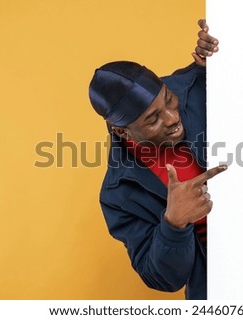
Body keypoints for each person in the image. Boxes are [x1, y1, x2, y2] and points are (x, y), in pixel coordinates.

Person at [88, 20, 226, 300]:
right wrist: (174, 223)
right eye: (152, 120)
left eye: (169, 100)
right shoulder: (119, 194)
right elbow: (162, 278)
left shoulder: (195, 83)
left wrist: (220, 49)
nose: (172, 118)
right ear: (122, 131)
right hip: (223, 288)